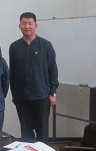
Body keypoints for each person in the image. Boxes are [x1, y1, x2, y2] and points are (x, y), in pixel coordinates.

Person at [9, 12, 59, 143]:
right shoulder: (14, 47)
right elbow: (12, 73)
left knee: (42, 132)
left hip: (41, 96)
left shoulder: (46, 45)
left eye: (30, 23)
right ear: (19, 26)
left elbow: (53, 70)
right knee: (26, 133)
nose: (27, 26)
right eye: (24, 23)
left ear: (36, 26)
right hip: (21, 97)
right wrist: (14, 94)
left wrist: (53, 93)